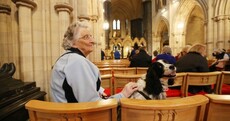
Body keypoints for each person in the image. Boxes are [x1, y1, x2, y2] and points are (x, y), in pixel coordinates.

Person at [50, 20, 138, 103]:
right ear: (73, 43)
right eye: (86, 37)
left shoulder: (69, 58)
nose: (92, 41)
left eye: (91, 36)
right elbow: (92, 105)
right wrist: (123, 95)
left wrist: (100, 90)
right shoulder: (77, 62)